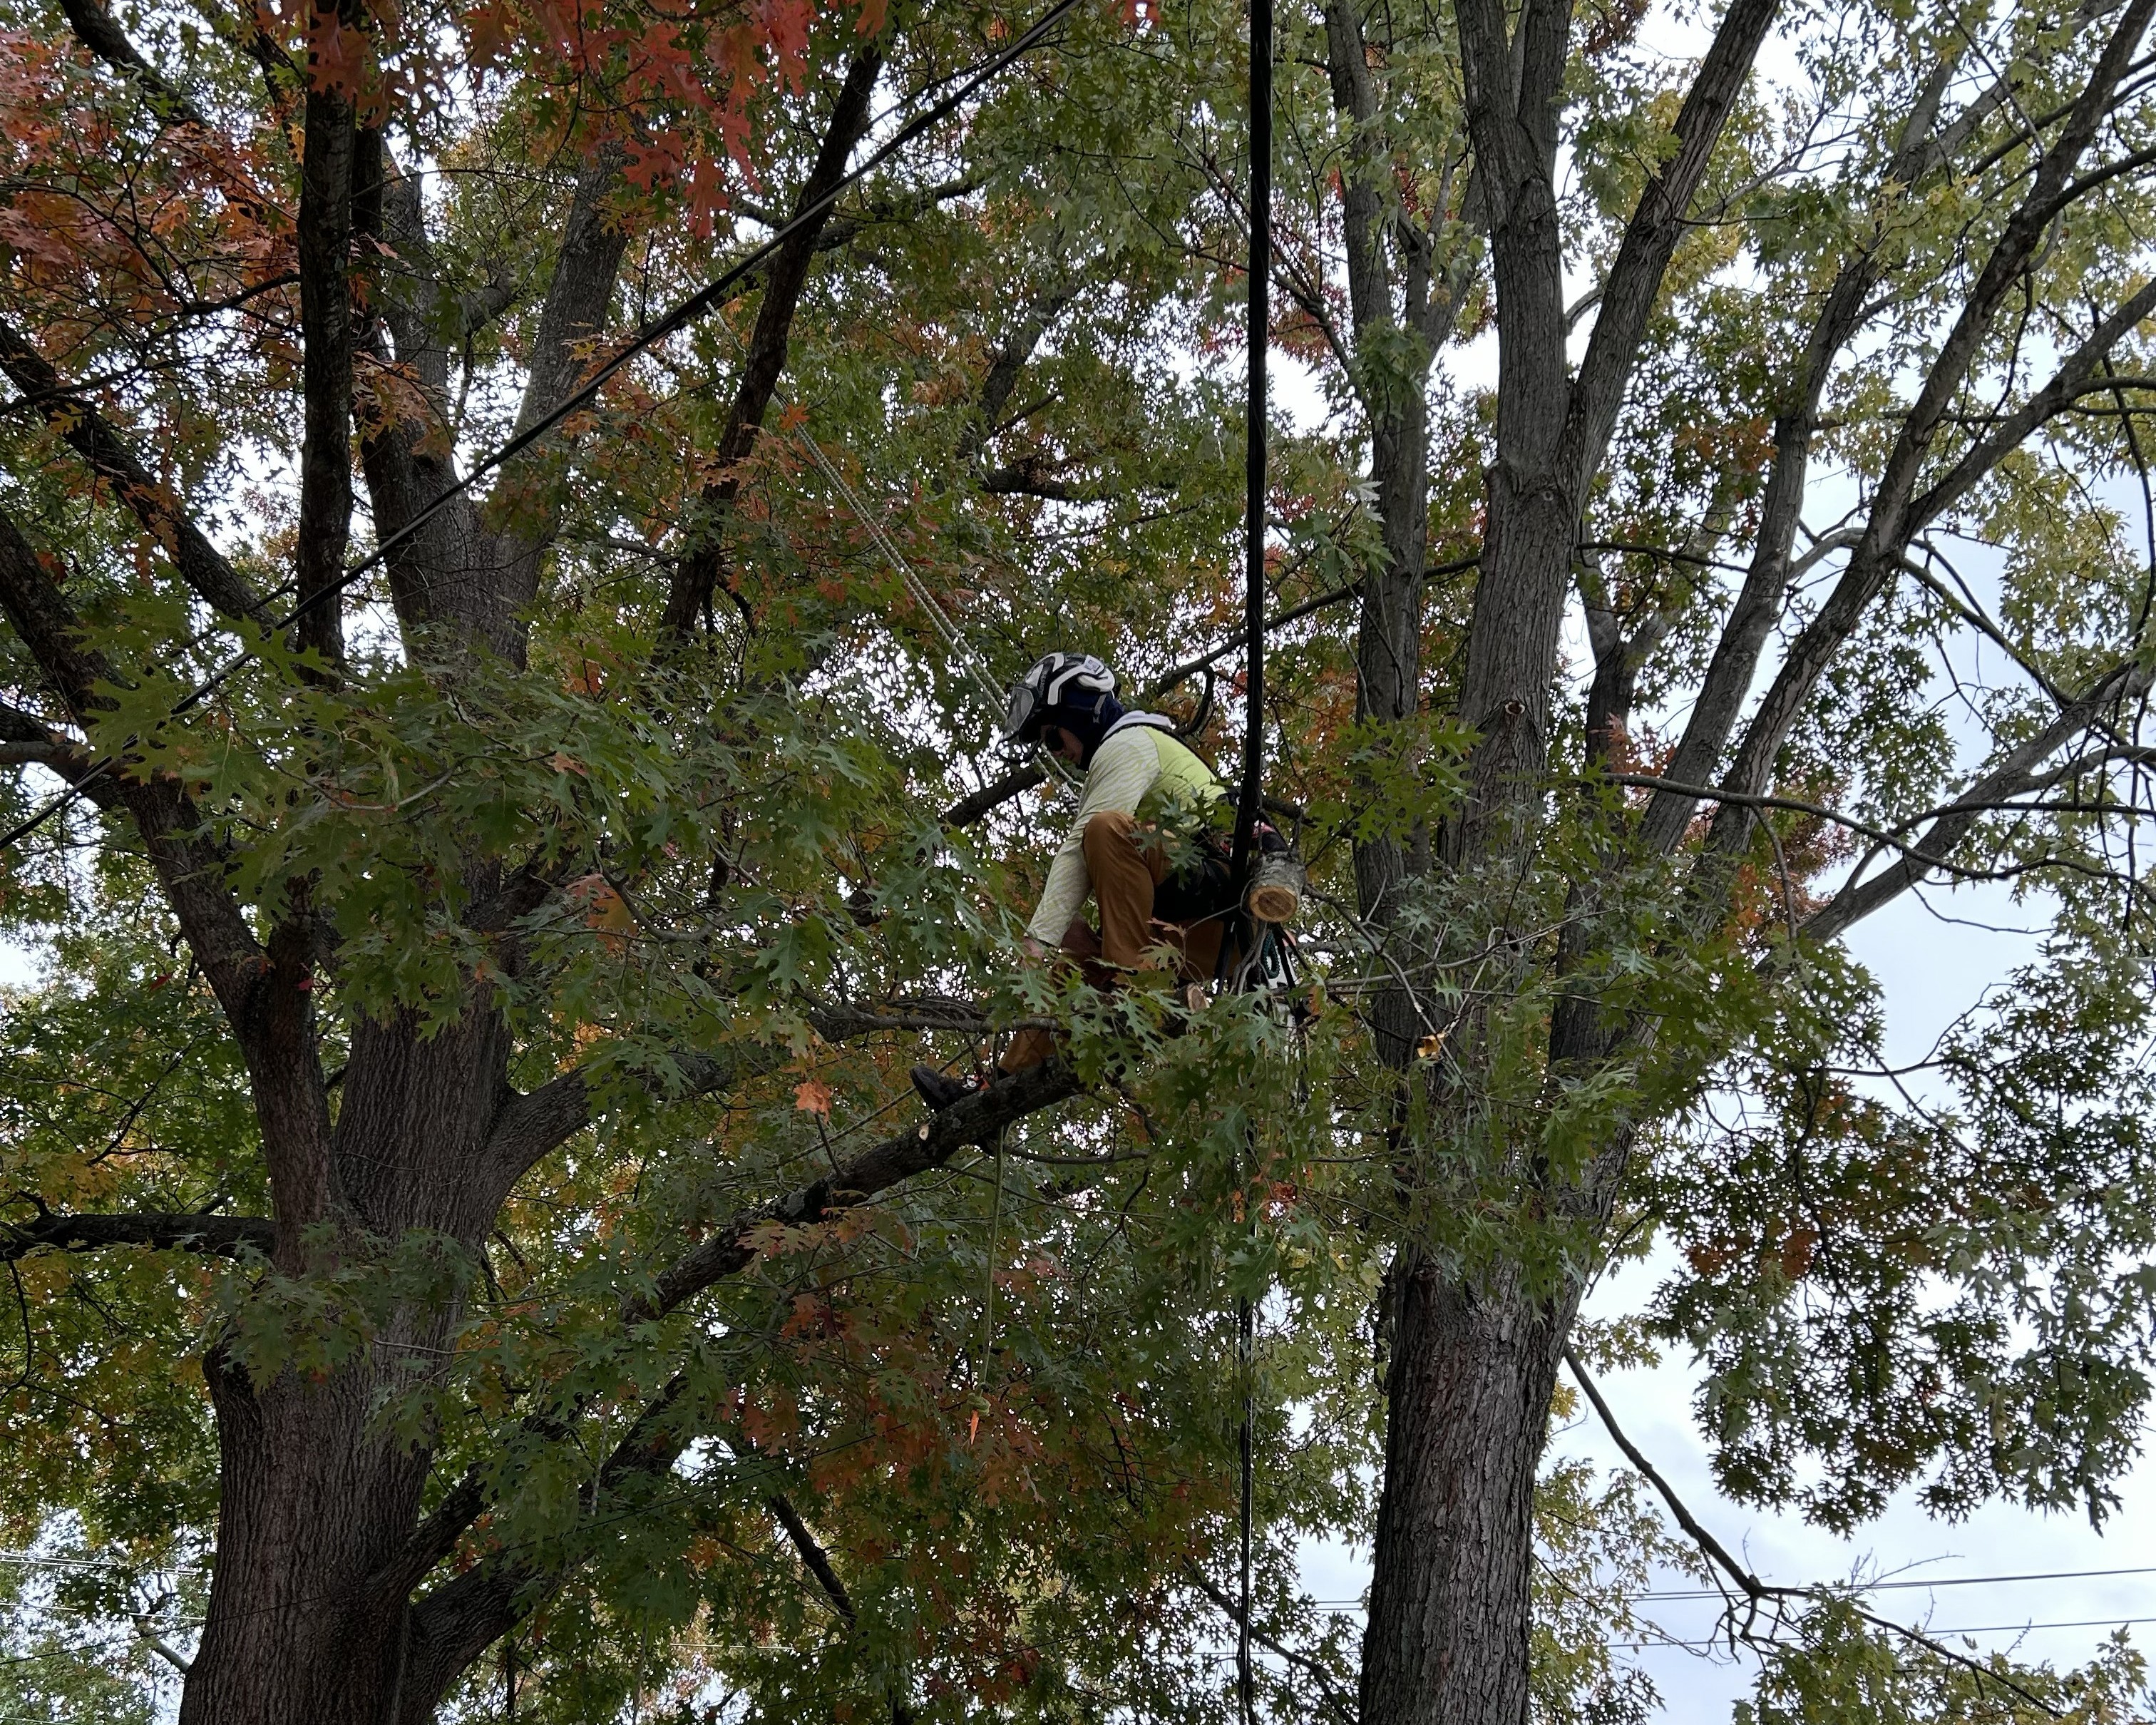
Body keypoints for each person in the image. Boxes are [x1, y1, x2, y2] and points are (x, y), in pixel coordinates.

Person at [910, 652, 1232, 1110]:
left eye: (1052, 736)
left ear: (1077, 709)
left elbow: (1083, 844)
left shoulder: (1132, 743)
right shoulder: (1118, 755)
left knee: (1104, 831)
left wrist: (1036, 940)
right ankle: (997, 1091)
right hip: (1184, 936)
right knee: (1078, 945)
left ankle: (1129, 996)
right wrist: (1056, 940)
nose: (1055, 752)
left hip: (1221, 906)